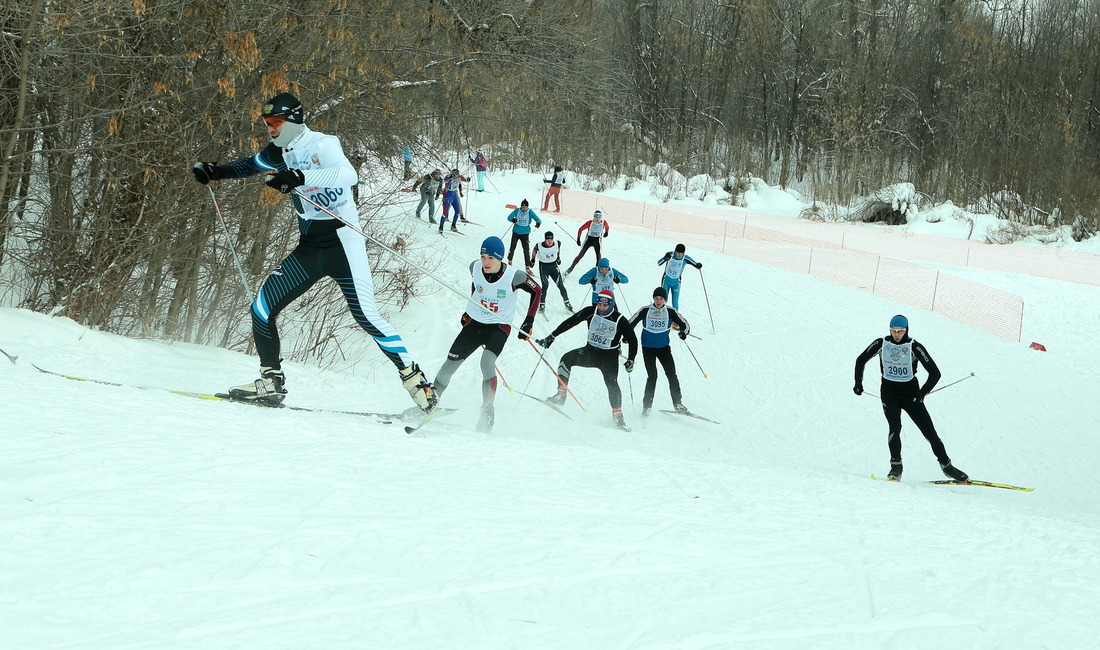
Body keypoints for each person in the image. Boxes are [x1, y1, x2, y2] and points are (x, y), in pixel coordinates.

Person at [191, 92, 435, 410]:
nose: (270, 128)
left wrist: (299, 177)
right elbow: (251, 165)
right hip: (310, 248)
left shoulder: (323, 143)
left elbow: (349, 175)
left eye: (275, 122)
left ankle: (418, 385)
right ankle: (270, 382)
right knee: (261, 309)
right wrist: (217, 172)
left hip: (343, 243)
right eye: (267, 123)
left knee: (366, 315)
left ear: (292, 120)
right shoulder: (278, 151)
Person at [431, 236, 540, 432]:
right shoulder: (474, 267)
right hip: (474, 323)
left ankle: (487, 411)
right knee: (449, 364)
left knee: (486, 363)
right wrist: (468, 310)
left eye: (490, 257)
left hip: (498, 326)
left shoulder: (515, 276)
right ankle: (429, 404)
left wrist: (528, 321)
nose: (485, 262)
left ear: (500, 258)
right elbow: (477, 284)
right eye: (482, 256)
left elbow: (537, 291)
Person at [854, 314, 969, 482]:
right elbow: (860, 360)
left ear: (906, 330)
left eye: (900, 331)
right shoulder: (881, 343)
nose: (897, 334)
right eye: (893, 331)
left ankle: (947, 466)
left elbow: (935, 373)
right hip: (889, 394)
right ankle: (896, 467)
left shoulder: (914, 346)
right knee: (895, 428)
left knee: (929, 432)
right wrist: (858, 383)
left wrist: (922, 392)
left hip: (911, 395)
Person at [536, 290, 638, 431]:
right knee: (566, 359)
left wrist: (631, 360)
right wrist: (553, 335)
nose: (601, 308)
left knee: (612, 383)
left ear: (610, 304)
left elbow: (633, 340)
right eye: (599, 304)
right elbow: (571, 322)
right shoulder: (591, 311)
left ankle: (618, 415)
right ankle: (561, 395)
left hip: (608, 358)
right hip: (590, 352)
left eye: (605, 305)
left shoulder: (619, 319)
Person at [629, 287, 690, 416]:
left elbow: (685, 324)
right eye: (656, 298)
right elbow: (631, 322)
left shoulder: (670, 311)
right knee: (652, 377)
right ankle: (647, 407)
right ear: (653, 299)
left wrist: (683, 333)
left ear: (665, 300)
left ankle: (678, 403)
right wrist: (627, 336)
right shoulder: (646, 310)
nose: (658, 301)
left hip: (664, 349)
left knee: (672, 375)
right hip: (648, 349)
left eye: (661, 298)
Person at [529, 230, 573, 314]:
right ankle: (542, 305)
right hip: (543, 266)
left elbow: (558, 250)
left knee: (560, 285)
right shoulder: (539, 245)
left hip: (553, 266)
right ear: (545, 239)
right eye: (547, 239)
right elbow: (534, 251)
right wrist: (533, 260)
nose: (549, 241)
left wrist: (558, 258)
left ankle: (567, 303)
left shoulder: (557, 243)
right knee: (545, 285)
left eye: (551, 239)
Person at [657, 244, 702, 310]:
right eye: (678, 253)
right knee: (663, 300)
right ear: (675, 251)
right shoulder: (670, 255)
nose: (679, 255)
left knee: (675, 303)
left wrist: (698, 265)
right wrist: (665, 258)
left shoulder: (685, 258)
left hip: (676, 283)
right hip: (666, 280)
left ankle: (675, 319)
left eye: (681, 253)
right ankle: (661, 315)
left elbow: (695, 264)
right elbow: (659, 263)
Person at [565, 210, 609, 276]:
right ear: (594, 217)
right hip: (589, 240)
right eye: (596, 217)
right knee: (580, 255)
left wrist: (606, 232)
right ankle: (570, 269)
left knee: (598, 257)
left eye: (599, 217)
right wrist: (578, 239)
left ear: (601, 217)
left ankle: (598, 273)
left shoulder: (604, 222)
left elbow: (607, 227)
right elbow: (580, 229)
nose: (597, 218)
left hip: (597, 241)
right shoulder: (590, 223)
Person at [505, 199, 542, 269]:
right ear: (521, 206)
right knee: (512, 247)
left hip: (525, 233)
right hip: (516, 232)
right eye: (523, 207)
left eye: (526, 207)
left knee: (526, 249)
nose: (524, 209)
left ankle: (527, 265)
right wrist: (513, 219)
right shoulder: (517, 210)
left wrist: (538, 223)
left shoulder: (530, 212)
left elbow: (538, 219)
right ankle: (510, 260)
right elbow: (509, 217)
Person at [440, 168, 467, 232]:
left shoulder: (459, 177)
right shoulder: (449, 177)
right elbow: (445, 180)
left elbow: (465, 180)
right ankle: (441, 226)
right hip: (448, 194)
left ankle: (453, 225)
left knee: (457, 211)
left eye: (457, 174)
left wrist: (467, 179)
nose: (456, 175)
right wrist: (451, 178)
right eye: (455, 174)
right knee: (445, 212)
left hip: (454, 194)